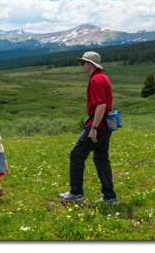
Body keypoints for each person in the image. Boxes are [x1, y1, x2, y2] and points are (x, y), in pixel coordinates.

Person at [58, 51, 117, 204]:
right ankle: (109, 197)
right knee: (101, 158)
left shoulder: (96, 80)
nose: (82, 65)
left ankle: (76, 192)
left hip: (99, 124)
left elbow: (101, 105)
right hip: (106, 124)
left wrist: (94, 127)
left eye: (83, 62)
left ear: (90, 64)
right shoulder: (102, 77)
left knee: (76, 154)